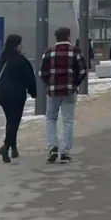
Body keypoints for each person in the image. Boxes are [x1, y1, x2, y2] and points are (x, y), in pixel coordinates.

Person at [40, 26, 87, 163]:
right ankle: (65, 152)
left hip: (53, 91)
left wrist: (48, 85)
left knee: (51, 119)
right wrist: (75, 84)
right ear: (68, 36)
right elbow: (83, 71)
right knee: (68, 121)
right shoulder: (75, 51)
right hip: (69, 91)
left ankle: (52, 145)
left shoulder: (48, 52)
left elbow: (42, 72)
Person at [0, 34, 37, 163]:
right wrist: (33, 93)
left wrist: (0, 89)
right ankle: (6, 147)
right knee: (15, 121)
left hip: (3, 95)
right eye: (20, 44)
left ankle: (13, 147)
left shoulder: (1, 59)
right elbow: (30, 78)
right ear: (15, 45)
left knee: (10, 121)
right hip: (17, 95)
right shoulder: (21, 60)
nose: (21, 46)